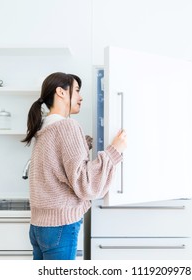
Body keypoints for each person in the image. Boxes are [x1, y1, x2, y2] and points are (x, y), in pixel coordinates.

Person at [21, 72, 127, 260]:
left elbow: (57, 164)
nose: (81, 97)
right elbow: (85, 183)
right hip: (60, 226)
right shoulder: (67, 126)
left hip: (38, 227)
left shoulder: (43, 128)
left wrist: (84, 144)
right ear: (61, 92)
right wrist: (114, 152)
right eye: (77, 90)